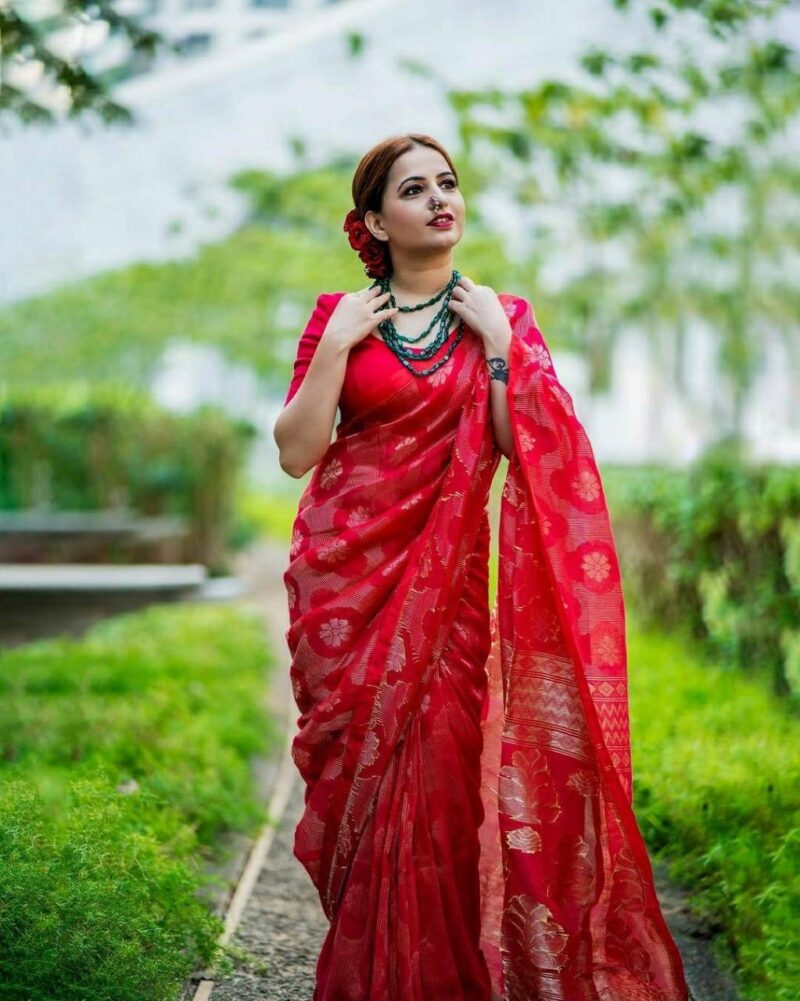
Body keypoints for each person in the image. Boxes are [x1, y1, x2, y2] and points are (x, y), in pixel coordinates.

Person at [273, 132, 690, 1001]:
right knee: (359, 780)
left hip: (449, 591)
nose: (438, 200)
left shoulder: (503, 314)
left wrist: (498, 344)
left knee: (443, 788)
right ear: (375, 223)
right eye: (413, 190)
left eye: (447, 184)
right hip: (347, 583)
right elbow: (297, 451)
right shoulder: (338, 315)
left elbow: (523, 444)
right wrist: (333, 348)